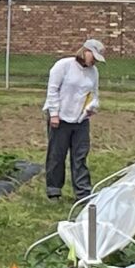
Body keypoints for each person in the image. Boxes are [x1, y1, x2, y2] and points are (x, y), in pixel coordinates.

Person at [42, 38, 105, 202]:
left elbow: (94, 94)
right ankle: (54, 190)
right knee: (57, 155)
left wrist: (92, 107)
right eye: (94, 58)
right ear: (86, 51)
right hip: (60, 119)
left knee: (80, 156)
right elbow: (53, 90)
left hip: (81, 120)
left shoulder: (94, 72)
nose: (95, 63)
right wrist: (54, 113)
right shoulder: (63, 66)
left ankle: (83, 193)